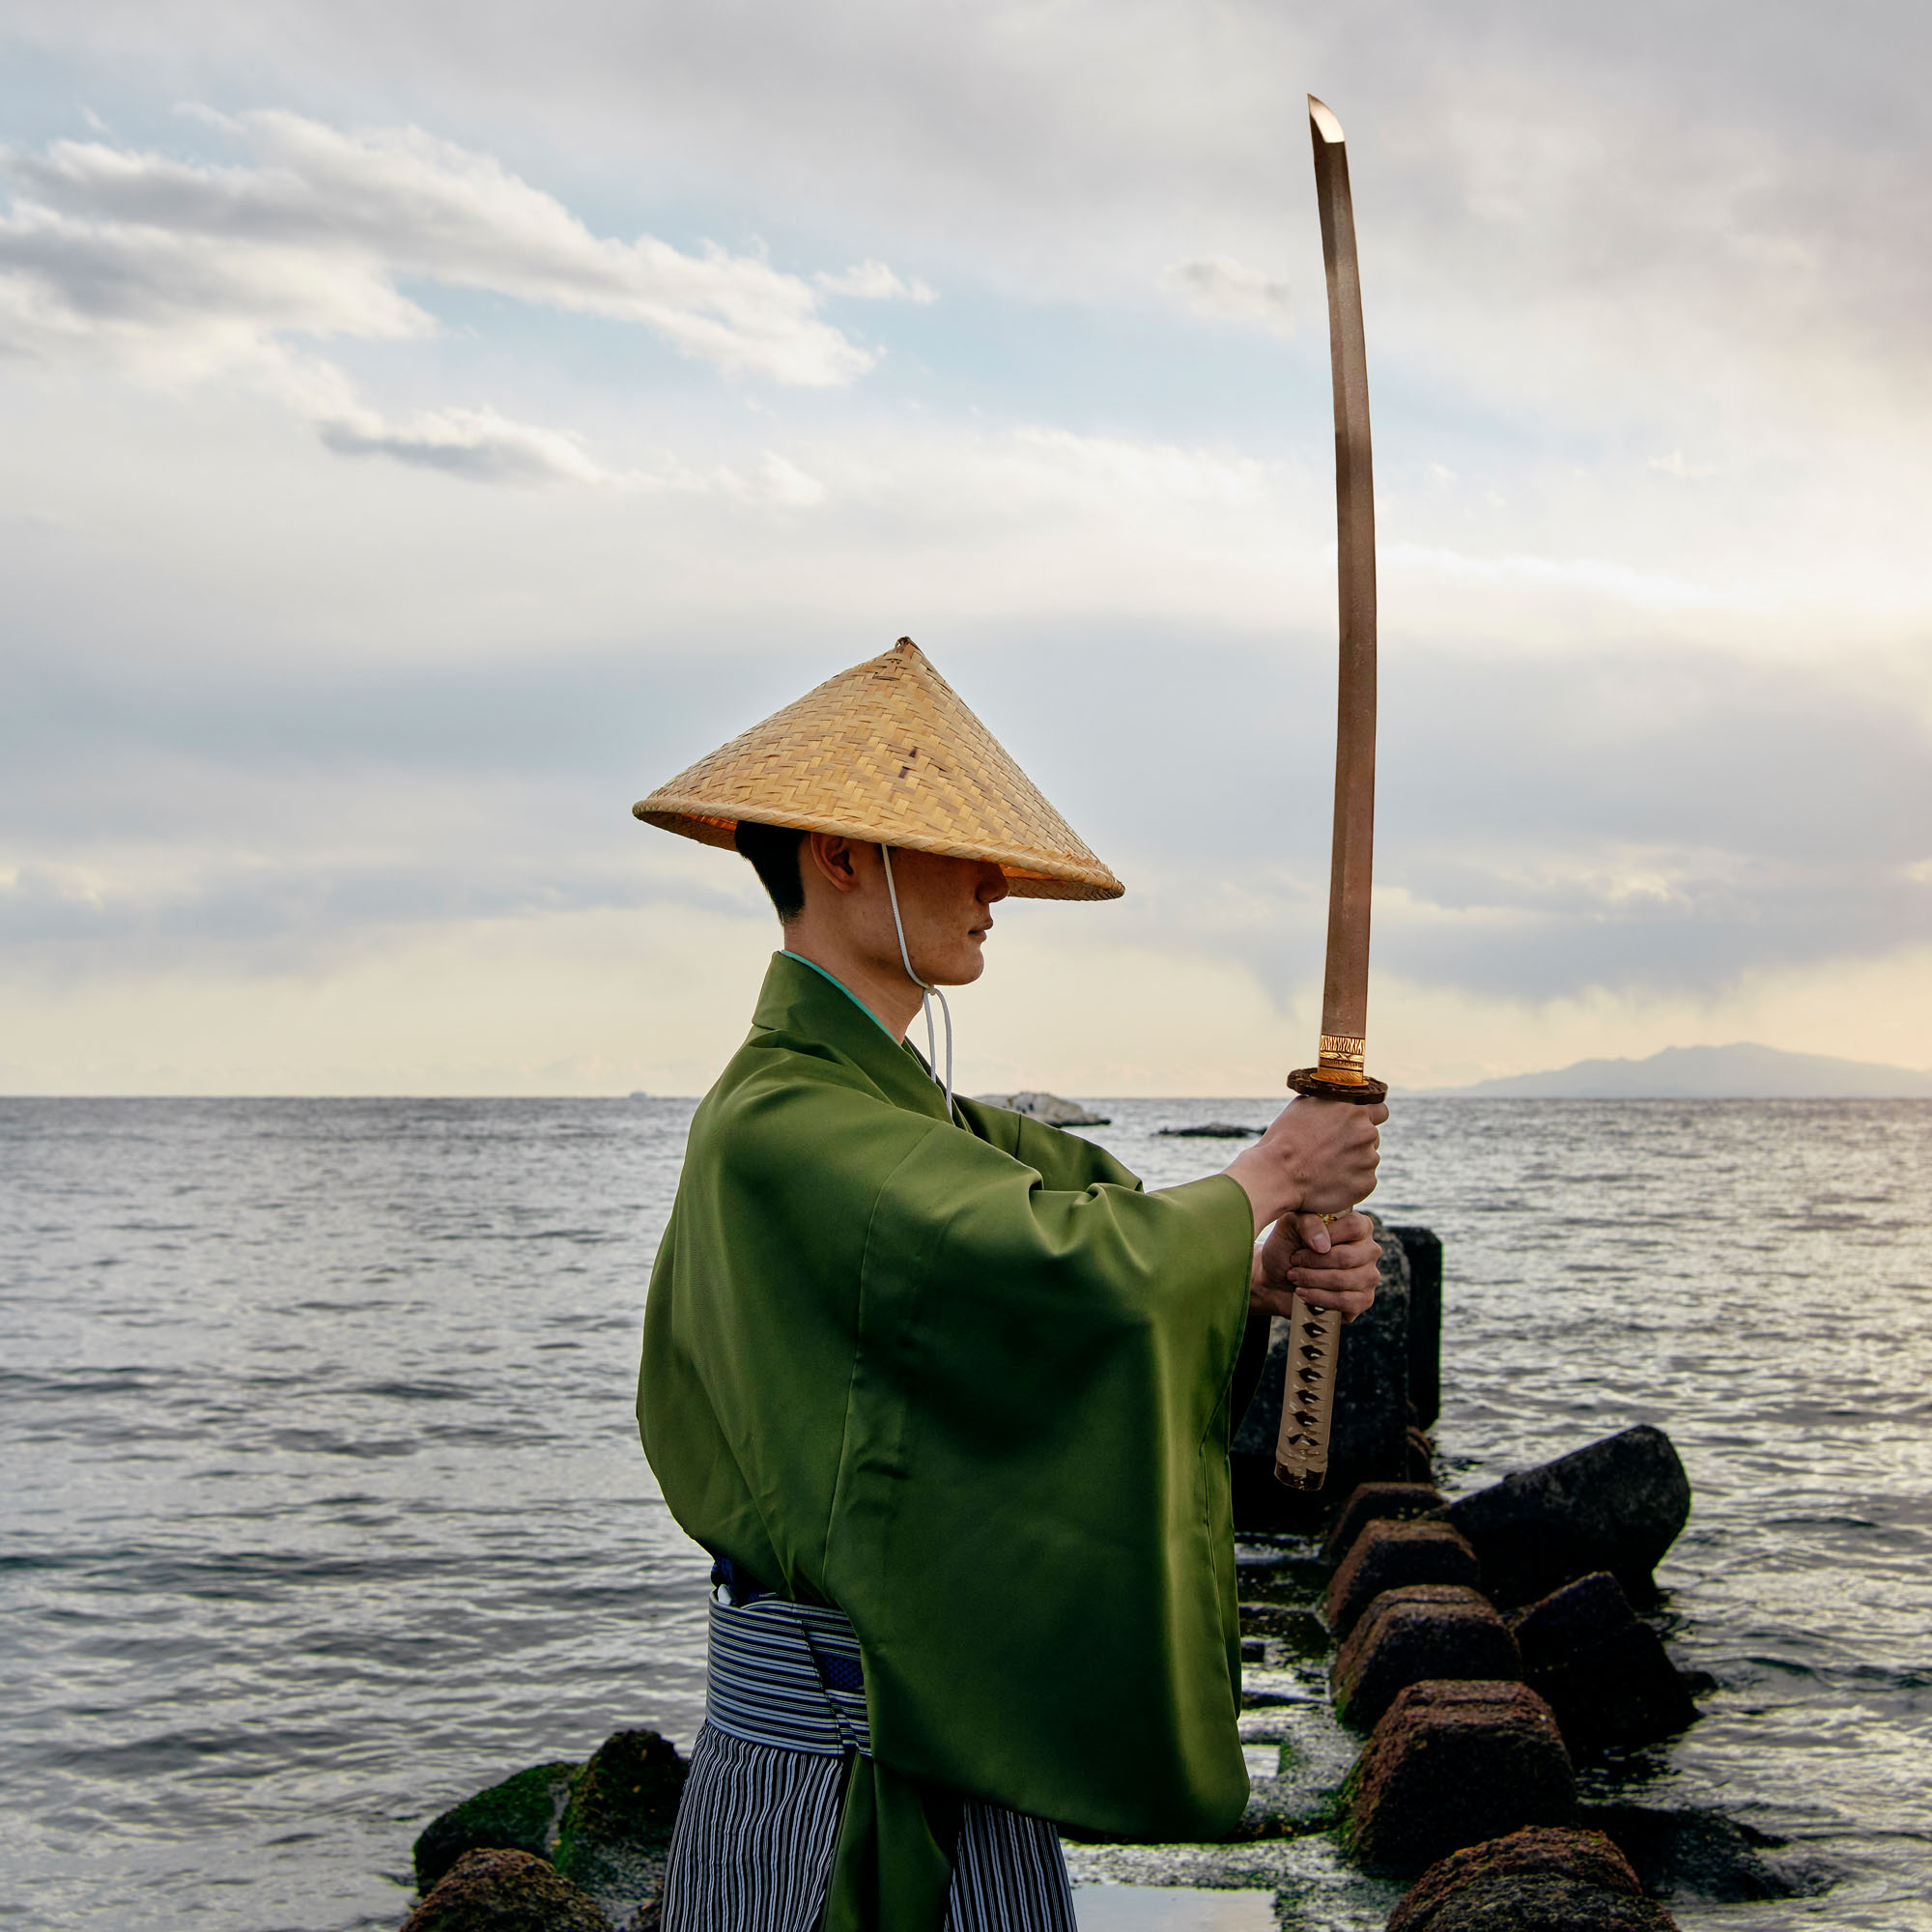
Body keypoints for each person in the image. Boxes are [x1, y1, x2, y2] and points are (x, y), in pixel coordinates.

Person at [633, 638, 1386, 1931]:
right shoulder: (782, 1122)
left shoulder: (903, 1118)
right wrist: (1273, 1168)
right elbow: (1069, 1265)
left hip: (951, 1725)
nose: (993, 888)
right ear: (839, 852)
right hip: (824, 1760)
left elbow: (1086, 1231)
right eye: (961, 849)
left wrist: (1254, 1276)